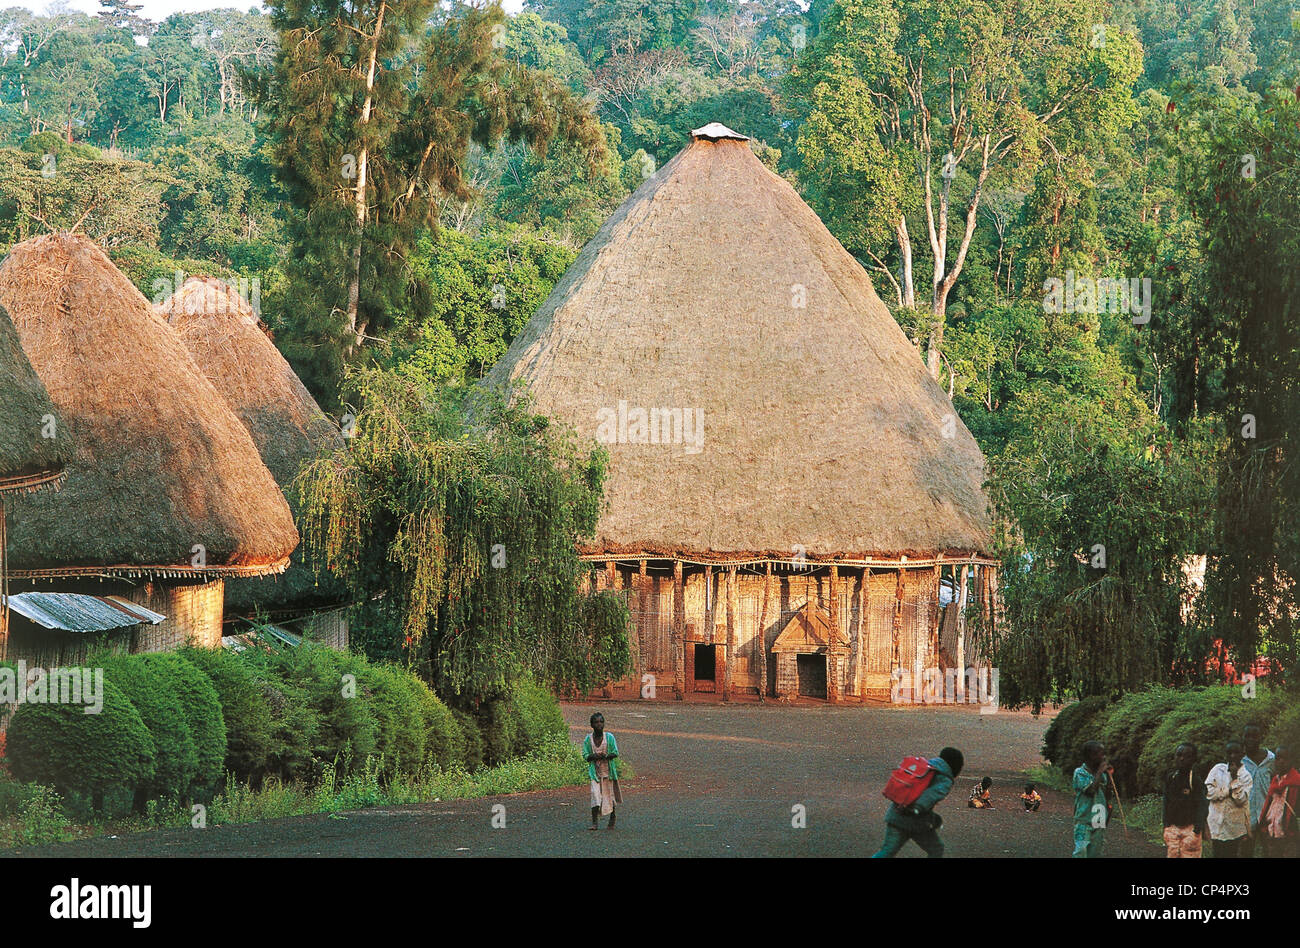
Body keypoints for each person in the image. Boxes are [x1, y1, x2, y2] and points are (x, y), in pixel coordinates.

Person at [873, 747, 964, 858]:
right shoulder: (945, 779)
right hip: (917, 822)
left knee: (887, 852)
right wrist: (917, 808)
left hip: (896, 815)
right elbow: (931, 796)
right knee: (936, 849)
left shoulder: (925, 767)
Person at [1205, 739, 1253, 857]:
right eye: (1229, 753)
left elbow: (1240, 799)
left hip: (1233, 828)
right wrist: (1227, 791)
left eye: (1236, 753)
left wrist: (1234, 778)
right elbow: (1208, 793)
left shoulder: (1246, 776)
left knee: (1230, 853)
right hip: (1216, 823)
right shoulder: (1217, 769)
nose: (1232, 756)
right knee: (1217, 853)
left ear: (1243, 754)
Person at [1162, 742, 1208, 858]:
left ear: (1193, 759)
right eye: (1179, 755)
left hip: (1190, 830)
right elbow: (1166, 801)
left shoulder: (1196, 781)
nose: (1182, 759)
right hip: (1173, 829)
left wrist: (1197, 830)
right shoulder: (1171, 777)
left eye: (1187, 756)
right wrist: (1166, 825)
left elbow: (1202, 806)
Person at [582, 712, 621, 830]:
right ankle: (594, 822)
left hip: (608, 772)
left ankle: (612, 817)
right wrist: (594, 756)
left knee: (609, 795)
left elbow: (615, 753)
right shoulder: (588, 739)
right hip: (595, 773)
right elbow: (585, 755)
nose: (599, 724)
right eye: (596, 722)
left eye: (601, 722)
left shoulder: (609, 737)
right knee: (595, 796)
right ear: (591, 725)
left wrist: (606, 755)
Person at [1073, 741, 1112, 858]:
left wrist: (1109, 777)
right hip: (1084, 818)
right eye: (1100, 754)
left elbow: (1107, 796)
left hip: (1099, 818)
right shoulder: (1080, 773)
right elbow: (1090, 791)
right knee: (1081, 851)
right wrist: (1100, 771)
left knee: (1095, 853)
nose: (1103, 757)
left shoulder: (1102, 775)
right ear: (1090, 756)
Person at [1241, 724, 1275, 856]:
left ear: (1260, 738)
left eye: (1254, 736)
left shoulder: (1271, 759)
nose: (1250, 740)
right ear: (1242, 738)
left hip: (1267, 813)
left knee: (1269, 850)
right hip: (1246, 815)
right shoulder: (1240, 761)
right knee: (1246, 850)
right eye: (1247, 736)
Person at [1263, 745, 1299, 858]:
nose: (1281, 762)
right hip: (1273, 834)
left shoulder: (1296, 783)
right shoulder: (1275, 781)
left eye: (1285, 758)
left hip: (1290, 836)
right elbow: (1268, 806)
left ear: (1291, 760)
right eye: (1278, 758)